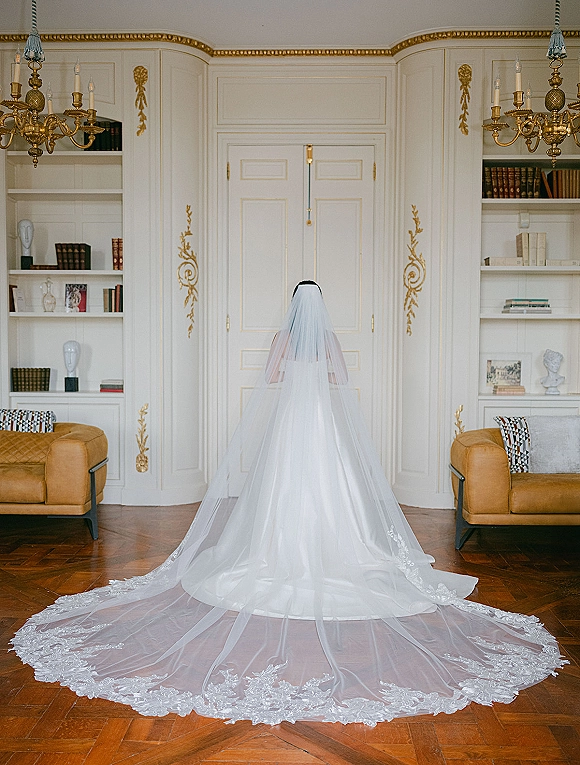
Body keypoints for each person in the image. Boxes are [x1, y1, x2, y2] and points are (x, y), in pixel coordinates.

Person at [12, 281, 565, 725]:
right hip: (320, 419)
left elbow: (273, 377)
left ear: (294, 310)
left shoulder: (283, 340)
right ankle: (338, 547)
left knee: (280, 486)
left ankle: (278, 550)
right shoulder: (327, 343)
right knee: (332, 484)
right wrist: (319, 375)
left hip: (291, 421)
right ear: (321, 311)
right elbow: (341, 379)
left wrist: (294, 374)